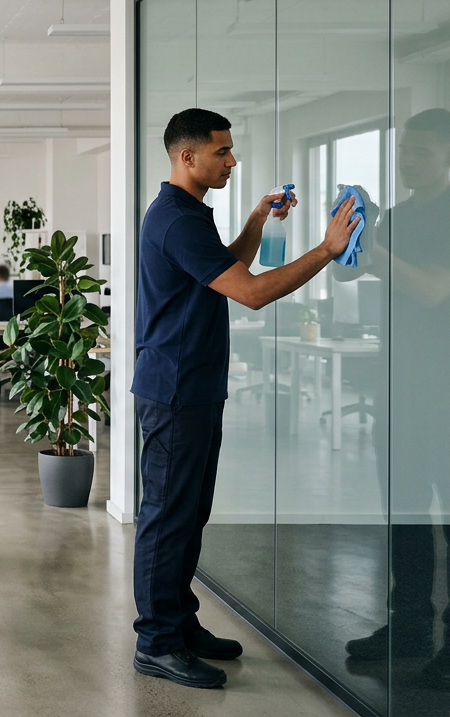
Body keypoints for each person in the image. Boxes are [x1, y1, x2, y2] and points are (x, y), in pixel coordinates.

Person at [131, 108, 358, 689]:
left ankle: (179, 624)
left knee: (190, 514)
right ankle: (156, 642)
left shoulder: (188, 215)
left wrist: (258, 217)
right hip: (176, 391)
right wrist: (327, 250)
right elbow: (252, 293)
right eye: (223, 152)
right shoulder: (177, 219)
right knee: (167, 518)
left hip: (195, 387)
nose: (232, 161)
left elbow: (230, 266)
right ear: (188, 157)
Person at [344, 108, 450, 687]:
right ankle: (409, 625)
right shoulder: (400, 214)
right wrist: (351, 230)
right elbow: (348, 271)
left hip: (445, 390)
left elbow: (434, 290)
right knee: (406, 517)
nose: (408, 159)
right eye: (405, 149)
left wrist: (369, 246)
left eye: (422, 152)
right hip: (400, 384)